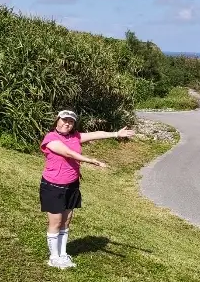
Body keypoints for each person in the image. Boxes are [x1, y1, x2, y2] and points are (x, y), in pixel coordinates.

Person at [39, 109, 135, 269]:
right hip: (53, 186)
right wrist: (91, 160)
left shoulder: (75, 136)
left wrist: (116, 134)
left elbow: (97, 134)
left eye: (70, 121)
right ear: (57, 120)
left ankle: (63, 254)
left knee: (66, 221)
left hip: (72, 185)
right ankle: (53, 257)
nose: (67, 124)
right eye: (64, 120)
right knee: (55, 222)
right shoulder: (51, 138)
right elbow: (68, 153)